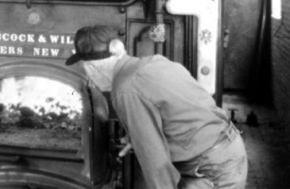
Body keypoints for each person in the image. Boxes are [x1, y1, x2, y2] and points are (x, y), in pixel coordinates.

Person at [65, 25, 247, 189]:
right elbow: (179, 112)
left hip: (212, 170)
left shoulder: (124, 90)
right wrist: (136, 137)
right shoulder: (154, 62)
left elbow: (156, 163)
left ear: (91, 68)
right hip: (229, 152)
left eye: (85, 68)